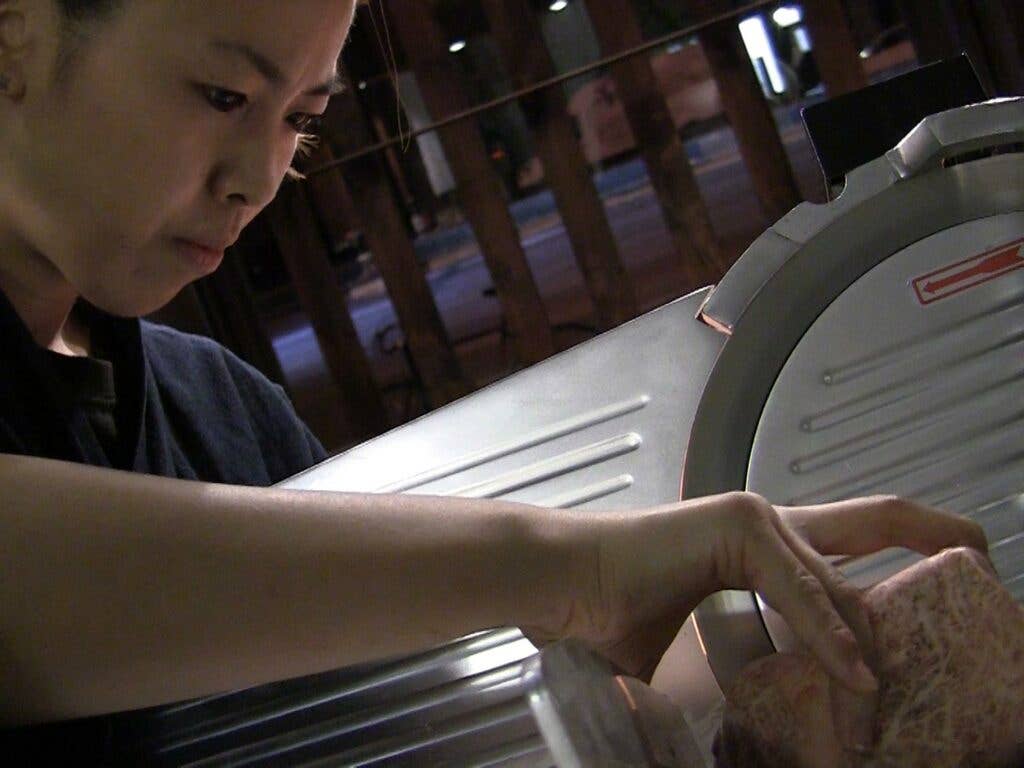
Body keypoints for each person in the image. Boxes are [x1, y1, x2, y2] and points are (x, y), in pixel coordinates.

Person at [0, 0, 989, 763]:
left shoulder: (222, 416)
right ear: (18, 35)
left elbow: (398, 715)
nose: (259, 177)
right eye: (224, 97)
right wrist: (574, 568)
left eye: (299, 120)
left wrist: (756, 665)